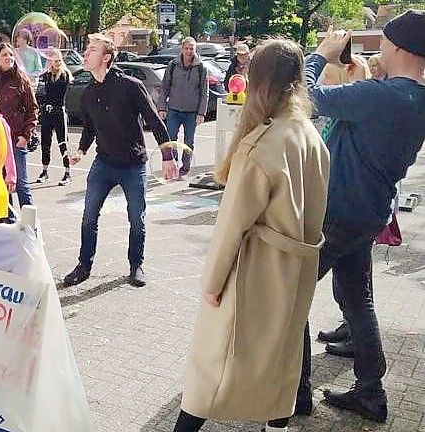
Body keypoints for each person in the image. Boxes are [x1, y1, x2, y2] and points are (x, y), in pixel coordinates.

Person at [172, 38, 330, 432]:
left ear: (257, 81)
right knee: (282, 354)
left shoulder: (260, 145)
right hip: (297, 267)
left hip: (255, 267)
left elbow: (231, 225)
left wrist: (212, 283)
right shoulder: (311, 136)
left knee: (212, 365)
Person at [298, 11, 425, 423]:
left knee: (290, 295)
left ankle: (294, 391)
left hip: (338, 214)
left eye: (385, 42)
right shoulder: (411, 97)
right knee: (358, 299)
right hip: (368, 213)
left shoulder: (381, 94)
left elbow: (304, 97)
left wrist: (320, 55)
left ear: (401, 48)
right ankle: (371, 392)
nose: (380, 49)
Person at [63, 33, 176, 288]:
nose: (86, 53)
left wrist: (167, 156)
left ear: (106, 58)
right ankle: (84, 266)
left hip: (133, 165)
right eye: (87, 49)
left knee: (136, 218)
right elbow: (89, 128)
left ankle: (136, 266)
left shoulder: (130, 86)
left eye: (92, 50)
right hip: (103, 164)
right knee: (89, 217)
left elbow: (154, 121)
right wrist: (81, 150)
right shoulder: (88, 92)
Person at [0, 43, 38, 208]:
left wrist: (26, 136)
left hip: (15, 139)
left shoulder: (21, 80)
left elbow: (33, 109)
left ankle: (30, 226)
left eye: (11, 55)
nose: (9, 58)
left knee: (21, 184)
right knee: (0, 184)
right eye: (4, 55)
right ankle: (7, 221)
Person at [157, 37, 209, 177]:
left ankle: (185, 167)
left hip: (191, 112)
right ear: (182, 49)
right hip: (174, 109)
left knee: (189, 141)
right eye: (186, 48)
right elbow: (165, 87)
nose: (188, 51)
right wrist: (162, 107)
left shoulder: (201, 67)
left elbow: (204, 92)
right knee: (171, 138)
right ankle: (173, 163)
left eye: (191, 48)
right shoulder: (173, 65)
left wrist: (201, 113)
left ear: (195, 50)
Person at [36, 48, 73, 186]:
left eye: (58, 60)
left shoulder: (64, 75)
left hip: (58, 112)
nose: (56, 63)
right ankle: (44, 171)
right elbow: (42, 91)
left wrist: (53, 105)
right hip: (47, 112)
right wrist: (45, 105)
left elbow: (59, 94)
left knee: (62, 142)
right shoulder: (47, 75)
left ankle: (67, 172)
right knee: (45, 142)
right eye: (53, 60)